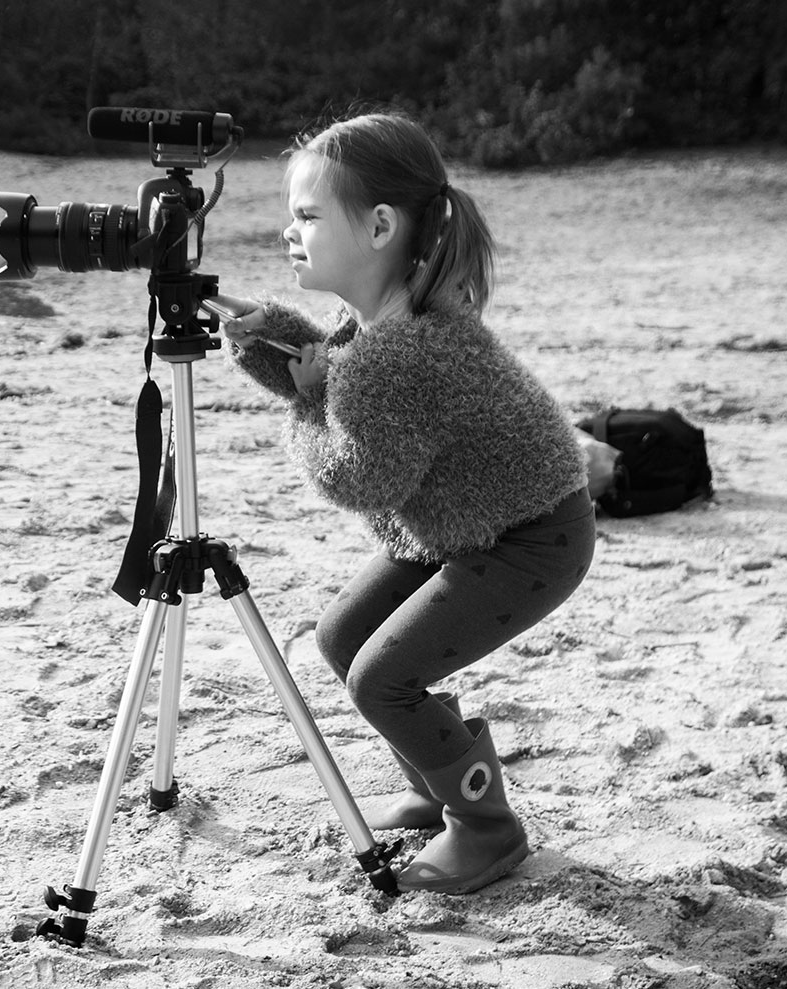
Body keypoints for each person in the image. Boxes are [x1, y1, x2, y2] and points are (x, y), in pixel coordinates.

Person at [210, 112, 594, 895]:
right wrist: (267, 337)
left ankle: (486, 827)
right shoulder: (384, 322)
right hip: (467, 526)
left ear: (380, 225)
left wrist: (310, 402)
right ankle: (435, 781)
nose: (290, 231)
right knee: (342, 634)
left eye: (308, 216)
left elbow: (358, 476)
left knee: (381, 676)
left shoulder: (401, 353)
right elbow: (331, 362)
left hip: (528, 539)